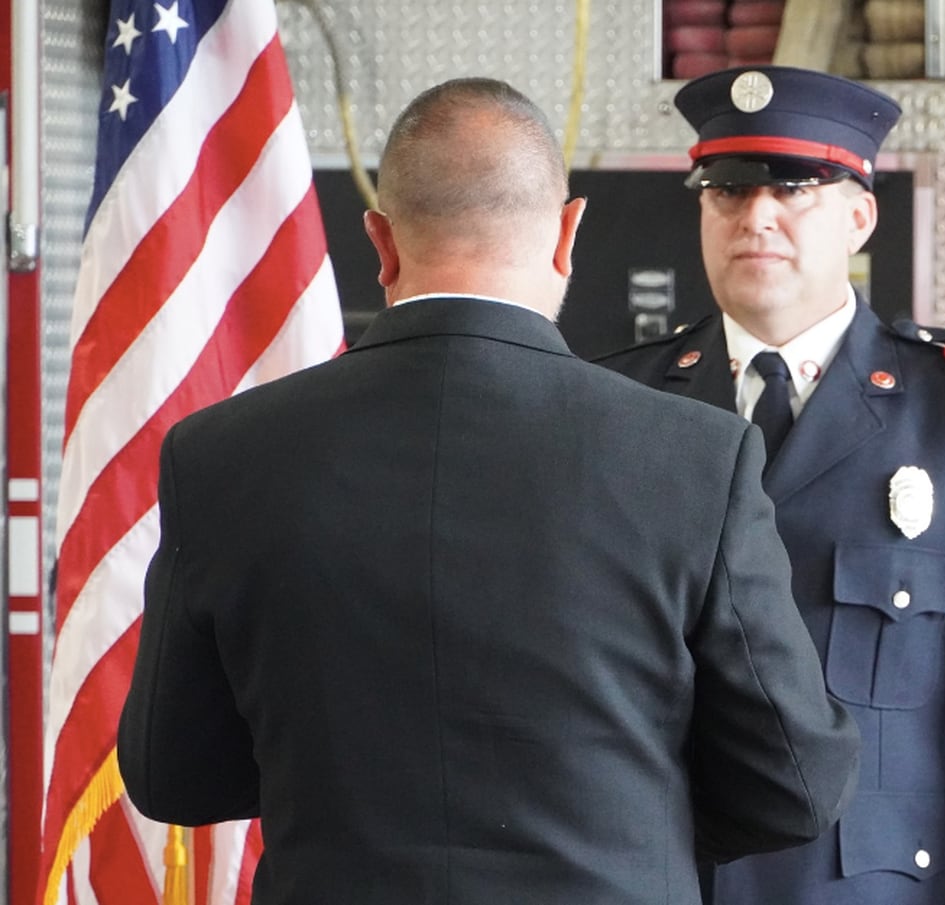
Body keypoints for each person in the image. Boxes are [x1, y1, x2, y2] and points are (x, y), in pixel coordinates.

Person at [117, 76, 861, 905]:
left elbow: (172, 776)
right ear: (568, 234)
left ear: (380, 240)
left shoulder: (220, 454)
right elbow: (797, 780)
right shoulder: (696, 456)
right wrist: (633, 822)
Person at [595, 66, 945, 905]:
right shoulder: (619, 408)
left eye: (796, 188)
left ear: (861, 216)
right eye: (725, 189)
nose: (756, 215)